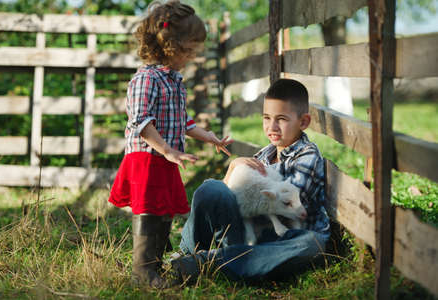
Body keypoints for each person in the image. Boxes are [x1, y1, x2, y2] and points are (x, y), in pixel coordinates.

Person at [108, 0, 232, 288]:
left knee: (164, 211)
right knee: (150, 211)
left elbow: (182, 122)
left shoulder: (174, 80)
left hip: (165, 158)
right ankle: (142, 271)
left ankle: (156, 266)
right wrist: (167, 149)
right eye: (189, 50)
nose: (193, 56)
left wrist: (210, 137)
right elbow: (140, 122)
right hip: (147, 158)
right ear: (171, 47)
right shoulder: (146, 79)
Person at [171, 78, 330, 283]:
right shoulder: (263, 155)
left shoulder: (307, 156)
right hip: (249, 234)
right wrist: (232, 169)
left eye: (281, 119)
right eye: (266, 118)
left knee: (312, 244)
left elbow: (291, 204)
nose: (272, 126)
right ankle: (194, 255)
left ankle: (204, 263)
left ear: (303, 122)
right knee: (210, 188)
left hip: (284, 239)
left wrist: (251, 194)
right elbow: (231, 194)